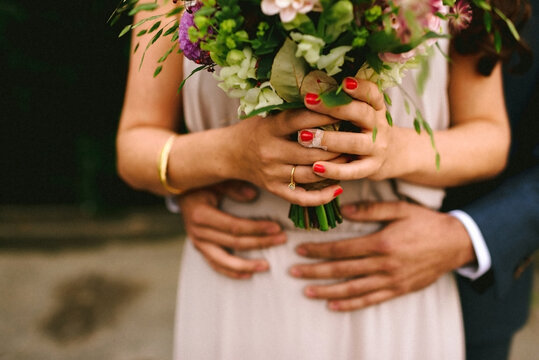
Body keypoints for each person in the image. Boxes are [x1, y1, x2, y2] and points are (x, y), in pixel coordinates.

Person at [116, 1, 517, 359]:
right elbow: (134, 147)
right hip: (241, 276)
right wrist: (231, 154)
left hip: (392, 275)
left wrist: (389, 149)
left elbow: (489, 138)